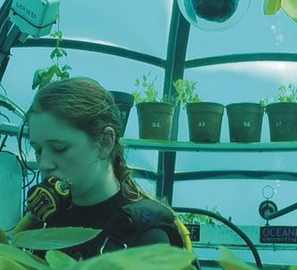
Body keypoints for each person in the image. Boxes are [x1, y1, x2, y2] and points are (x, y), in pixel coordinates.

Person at [16, 77, 190, 259]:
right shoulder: (39, 223)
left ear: (105, 143)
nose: (44, 164)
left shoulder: (147, 235)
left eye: (60, 149)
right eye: (38, 150)